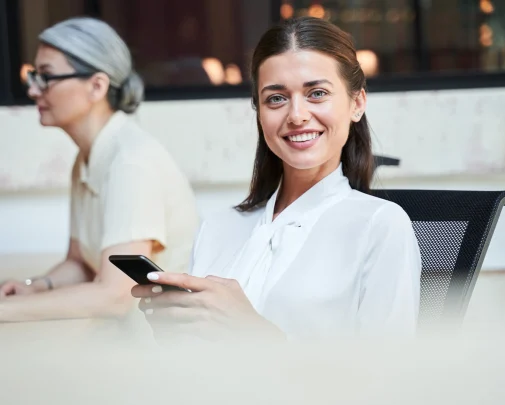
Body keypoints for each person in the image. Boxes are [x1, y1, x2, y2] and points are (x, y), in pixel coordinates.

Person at [132, 16, 422, 341]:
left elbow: (386, 380)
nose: (296, 115)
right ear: (259, 112)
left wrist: (252, 331)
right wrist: (174, 331)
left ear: (357, 103)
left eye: (317, 93)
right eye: (276, 98)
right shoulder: (218, 228)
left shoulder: (380, 226)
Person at [0, 17, 199, 322]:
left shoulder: (131, 162)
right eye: (33, 76)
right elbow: (80, 262)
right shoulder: (88, 158)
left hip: (166, 336)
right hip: (126, 329)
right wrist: (34, 286)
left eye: (46, 76)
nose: (33, 90)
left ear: (97, 86)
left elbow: (115, 296)